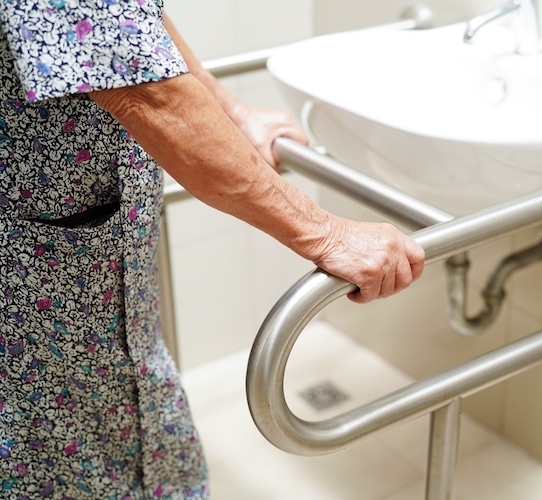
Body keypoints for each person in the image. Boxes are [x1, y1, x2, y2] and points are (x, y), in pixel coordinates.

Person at [0, 1, 424, 497]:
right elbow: (151, 94)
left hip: (68, 242)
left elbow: (130, 27)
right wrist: (327, 235)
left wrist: (233, 112)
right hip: (37, 284)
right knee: (81, 458)